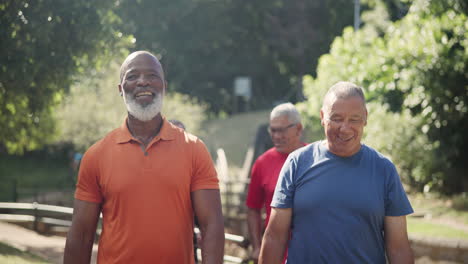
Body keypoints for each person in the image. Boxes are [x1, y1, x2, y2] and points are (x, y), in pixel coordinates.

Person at [64, 51, 225, 264]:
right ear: (121, 89)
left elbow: (211, 225)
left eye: (152, 75)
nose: (142, 82)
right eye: (132, 76)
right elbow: (82, 234)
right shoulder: (96, 155)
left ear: (164, 86)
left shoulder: (194, 149)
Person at [259, 81, 414, 264]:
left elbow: (398, 247)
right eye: (337, 118)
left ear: (365, 117)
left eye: (354, 119)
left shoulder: (384, 169)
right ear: (323, 117)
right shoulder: (298, 163)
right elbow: (275, 237)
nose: (345, 128)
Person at [245, 103, 305, 263]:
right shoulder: (262, 163)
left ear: (298, 129)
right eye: (273, 130)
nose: (276, 136)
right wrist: (257, 247)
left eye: (282, 130)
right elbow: (253, 209)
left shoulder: (314, 159)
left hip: (309, 252)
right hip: (275, 254)